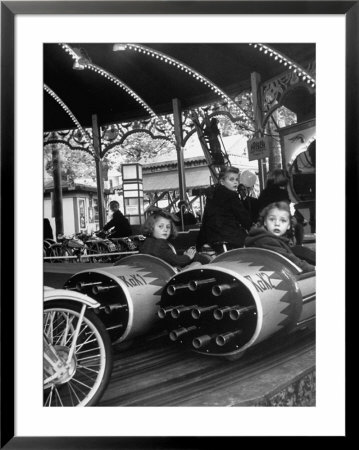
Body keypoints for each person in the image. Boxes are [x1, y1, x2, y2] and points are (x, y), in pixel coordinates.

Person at [245, 202, 315, 273]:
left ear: (288, 226)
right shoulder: (266, 240)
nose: (277, 224)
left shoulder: (269, 238)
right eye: (272, 219)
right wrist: (313, 268)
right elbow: (290, 261)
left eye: (283, 220)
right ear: (265, 222)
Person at [196, 166, 251, 253]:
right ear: (222, 181)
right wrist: (252, 227)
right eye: (231, 180)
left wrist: (199, 243)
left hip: (212, 237)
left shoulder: (211, 196)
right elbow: (243, 216)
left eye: (237, 180)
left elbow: (206, 219)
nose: (235, 183)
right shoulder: (232, 196)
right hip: (229, 236)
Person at [140, 210, 210, 269]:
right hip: (166, 275)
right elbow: (177, 261)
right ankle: (212, 263)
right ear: (151, 227)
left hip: (154, 271)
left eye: (168, 227)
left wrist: (182, 253)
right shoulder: (160, 243)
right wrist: (188, 256)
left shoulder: (147, 242)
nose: (165, 230)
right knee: (197, 264)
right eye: (160, 226)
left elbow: (167, 255)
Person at [257, 168, 305, 245]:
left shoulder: (264, 193)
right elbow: (285, 209)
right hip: (278, 221)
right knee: (298, 226)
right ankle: (298, 246)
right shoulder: (282, 193)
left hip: (264, 222)